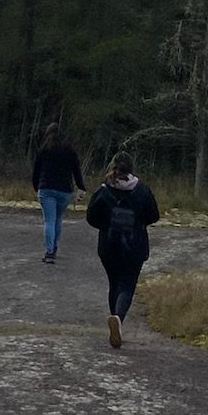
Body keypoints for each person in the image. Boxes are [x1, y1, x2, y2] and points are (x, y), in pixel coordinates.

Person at [85, 149, 160, 348]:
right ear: (131, 168)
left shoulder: (103, 191)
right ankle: (118, 318)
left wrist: (107, 224)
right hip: (134, 244)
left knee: (114, 283)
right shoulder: (142, 190)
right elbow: (154, 215)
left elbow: (91, 217)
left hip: (109, 245)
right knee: (127, 284)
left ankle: (115, 322)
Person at [32, 121, 86, 263]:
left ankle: (49, 252)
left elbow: (36, 171)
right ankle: (54, 247)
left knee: (49, 220)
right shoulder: (69, 150)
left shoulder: (44, 149)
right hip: (65, 190)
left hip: (46, 188)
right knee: (58, 219)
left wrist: (36, 187)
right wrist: (81, 187)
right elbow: (76, 170)